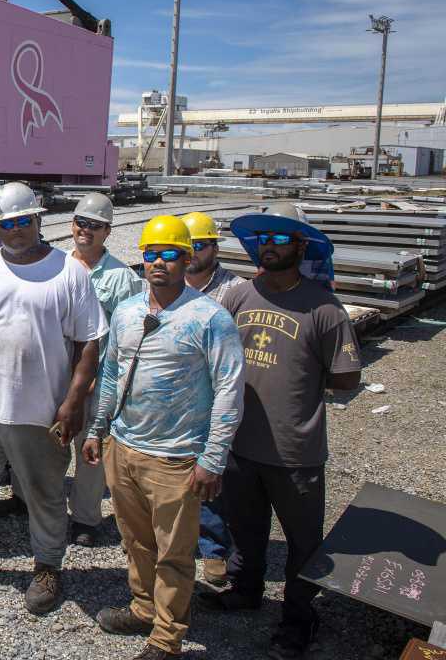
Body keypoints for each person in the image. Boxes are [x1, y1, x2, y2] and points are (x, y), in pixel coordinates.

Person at [0, 182, 106, 616]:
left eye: (23, 221)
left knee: (45, 490)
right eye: (5, 223)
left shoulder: (70, 273)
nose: (15, 230)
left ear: (38, 220)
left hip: (40, 411)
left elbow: (88, 344)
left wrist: (72, 402)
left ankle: (48, 565)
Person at [201, 204, 361, 660]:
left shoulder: (324, 307)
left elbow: (347, 376)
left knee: (302, 543)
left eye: (280, 239)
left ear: (300, 245)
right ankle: (246, 591)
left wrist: (301, 379)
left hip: (295, 450)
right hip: (239, 443)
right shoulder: (237, 297)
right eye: (264, 239)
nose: (270, 247)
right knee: (244, 529)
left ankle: (297, 619)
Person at [82, 215, 245, 660]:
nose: (158, 263)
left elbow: (229, 391)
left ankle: (167, 638)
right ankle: (142, 606)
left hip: (176, 459)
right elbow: (112, 373)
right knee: (135, 541)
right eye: (151, 255)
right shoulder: (130, 312)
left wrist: (212, 458)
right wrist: (99, 429)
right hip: (125, 447)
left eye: (169, 254)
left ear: (187, 259)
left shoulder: (210, 319)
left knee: (175, 553)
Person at [66, 192, 144, 547]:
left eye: (94, 226)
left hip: (97, 381)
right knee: (48, 446)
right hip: (55, 376)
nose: (86, 231)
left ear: (108, 231)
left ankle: (85, 518)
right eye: (82, 223)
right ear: (72, 225)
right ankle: (41, 506)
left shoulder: (121, 278)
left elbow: (127, 334)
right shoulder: (57, 265)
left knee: (89, 449)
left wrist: (108, 376)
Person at [181, 210, 245, 587]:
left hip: (212, 392)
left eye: (199, 246)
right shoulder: (163, 283)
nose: (191, 254)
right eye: (184, 247)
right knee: (173, 472)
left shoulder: (233, 290)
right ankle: (171, 542)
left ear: (214, 248)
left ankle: (213, 549)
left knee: (209, 474)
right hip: (175, 394)